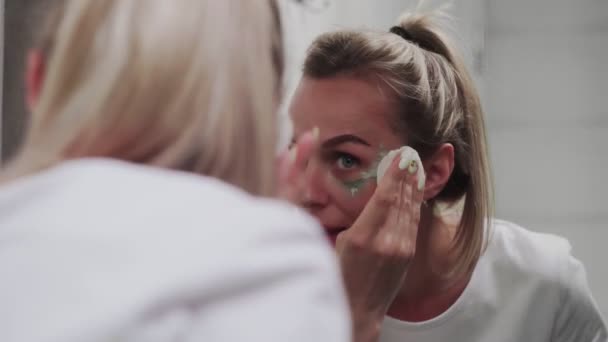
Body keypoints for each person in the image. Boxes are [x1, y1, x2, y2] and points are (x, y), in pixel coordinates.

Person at [0, 1, 351, 341]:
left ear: (35, 82)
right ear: (264, 109)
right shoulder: (273, 266)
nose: (313, 193)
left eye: (346, 159)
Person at [283, 9, 608, 342]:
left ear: (432, 172)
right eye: (300, 153)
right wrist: (354, 318)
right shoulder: (274, 296)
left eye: (347, 159)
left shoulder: (541, 286)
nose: (307, 193)